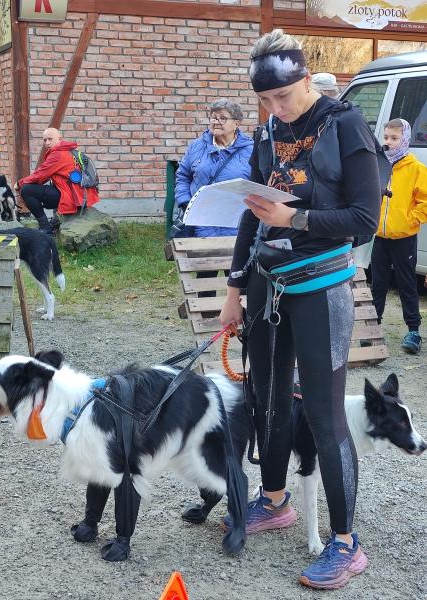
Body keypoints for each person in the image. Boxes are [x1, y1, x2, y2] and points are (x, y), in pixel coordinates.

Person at [220, 29, 382, 589]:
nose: (274, 110)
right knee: (267, 398)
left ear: (306, 81)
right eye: (265, 101)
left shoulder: (345, 125)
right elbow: (251, 211)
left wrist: (299, 221)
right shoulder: (269, 130)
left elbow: (366, 220)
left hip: (321, 287)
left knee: (323, 413)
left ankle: (345, 543)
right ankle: (275, 499)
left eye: (283, 98)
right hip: (268, 286)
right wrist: (235, 289)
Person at [371, 118, 427, 355]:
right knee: (378, 284)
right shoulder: (378, 165)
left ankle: (413, 331)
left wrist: (410, 220)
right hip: (381, 236)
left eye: (394, 138)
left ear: (404, 139)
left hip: (404, 237)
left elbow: (424, 202)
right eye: (386, 137)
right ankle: (373, 329)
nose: (388, 142)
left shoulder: (416, 169)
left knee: (406, 284)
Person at [174, 98, 253, 238]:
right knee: (200, 258)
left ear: (236, 123)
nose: (216, 122)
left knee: (234, 258)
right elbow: (182, 176)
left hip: (236, 222)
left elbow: (259, 183)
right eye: (213, 117)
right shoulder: (196, 146)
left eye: (222, 118)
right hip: (199, 221)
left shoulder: (251, 150)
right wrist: (185, 203)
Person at [14, 128, 99, 234]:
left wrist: (19, 183)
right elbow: (43, 176)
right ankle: (55, 223)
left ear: (60, 139)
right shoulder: (66, 151)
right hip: (80, 196)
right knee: (37, 188)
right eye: (45, 140)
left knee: (27, 190)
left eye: (50, 139)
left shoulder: (58, 154)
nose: (47, 143)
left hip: (72, 197)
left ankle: (45, 228)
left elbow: (40, 174)